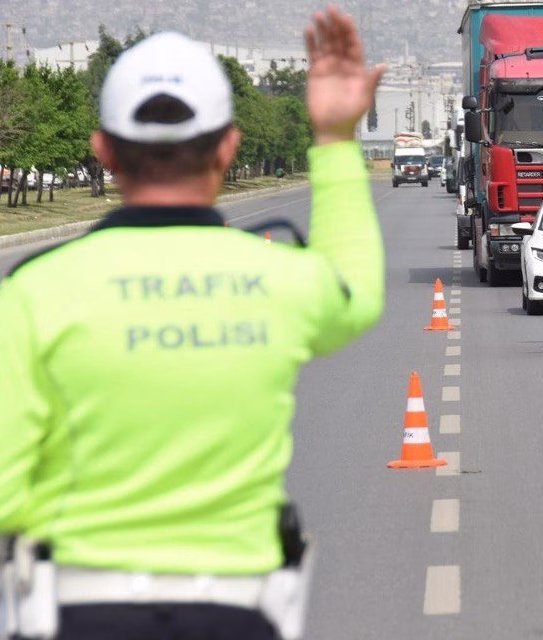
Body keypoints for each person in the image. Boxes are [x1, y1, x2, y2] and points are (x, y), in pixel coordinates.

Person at [0, 7, 386, 640]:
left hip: (75, 610)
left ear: (102, 152)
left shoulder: (35, 292)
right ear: (230, 147)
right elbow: (357, 292)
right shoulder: (279, 280)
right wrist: (337, 140)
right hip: (236, 613)